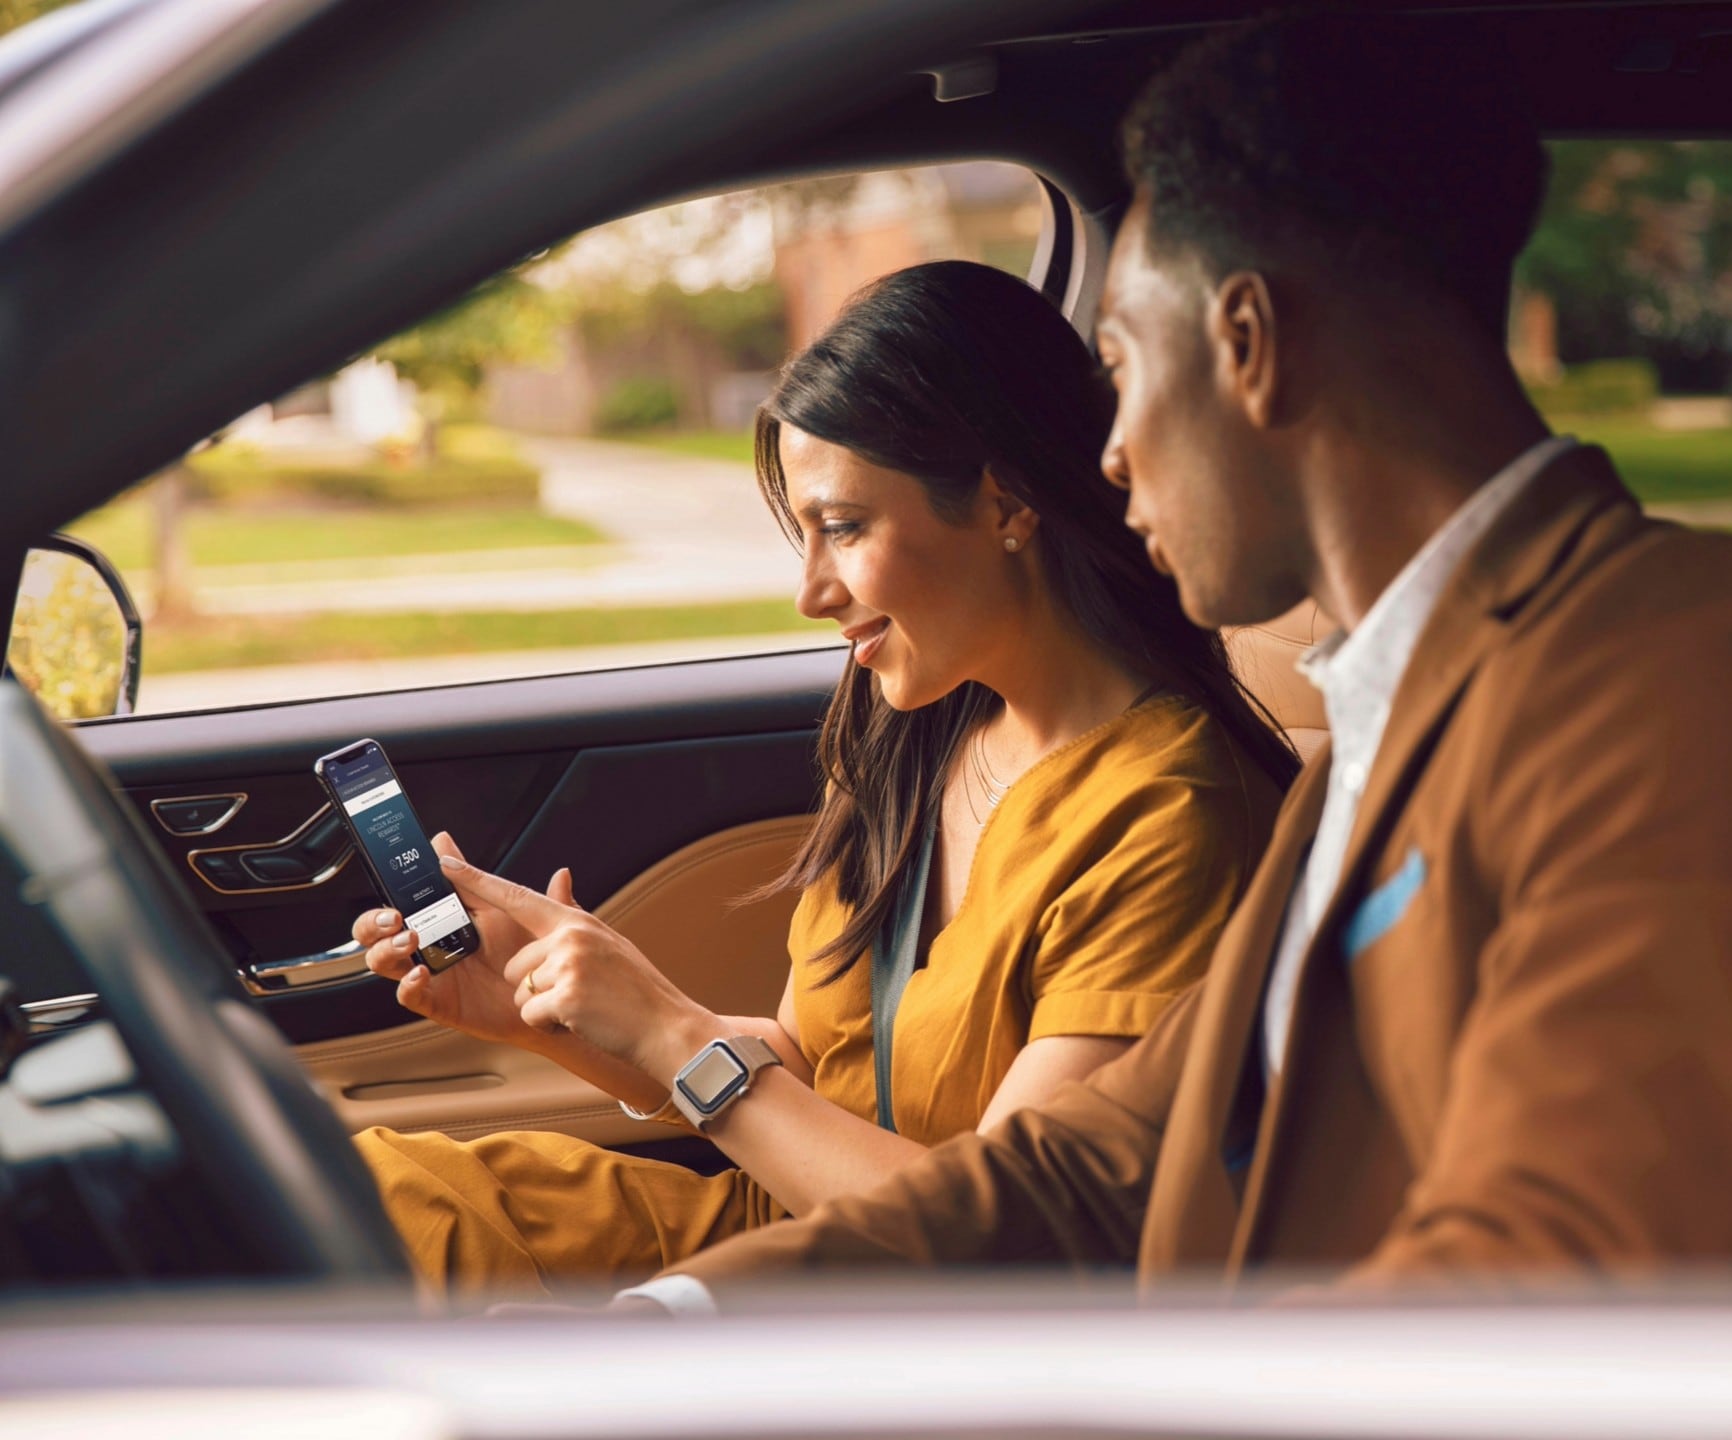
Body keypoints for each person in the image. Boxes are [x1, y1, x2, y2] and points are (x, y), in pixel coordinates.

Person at [630, 16, 1732, 1305]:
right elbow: (1095, 1168)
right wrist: (681, 1324)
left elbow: (1547, 1283)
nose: (1107, 454)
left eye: (1122, 368)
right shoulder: (1391, 724)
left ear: (1250, 347)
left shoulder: (1691, 683)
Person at [349, 260, 1297, 1306]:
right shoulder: (918, 730)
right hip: (769, 1229)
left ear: (1005, 503)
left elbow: (1016, 1246)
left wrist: (673, 1028)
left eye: (843, 528)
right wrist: (557, 1011)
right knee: (352, 1194)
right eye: (802, 534)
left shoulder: (1168, 814)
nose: (810, 592)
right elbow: (805, 1065)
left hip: (892, 1315)